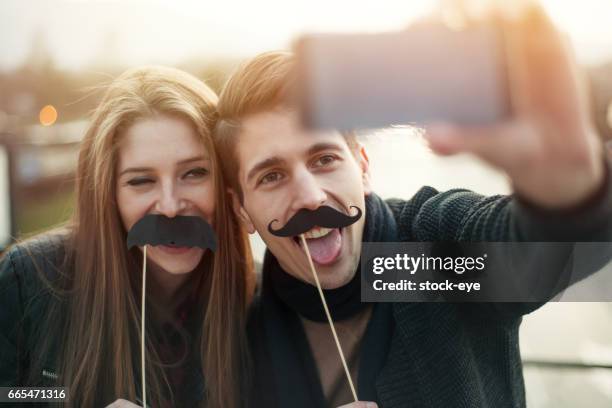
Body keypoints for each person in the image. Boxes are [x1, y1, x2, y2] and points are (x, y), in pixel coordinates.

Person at [213, 4, 612, 408]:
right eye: (271, 176)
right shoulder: (243, 324)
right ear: (241, 209)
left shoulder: (426, 264)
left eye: (324, 160)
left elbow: (527, 259)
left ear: (363, 167)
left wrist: (568, 195)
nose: (311, 196)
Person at [0, 66, 254, 407]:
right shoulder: (28, 278)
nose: (169, 207)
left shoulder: (259, 299)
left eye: (194, 173)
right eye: (141, 180)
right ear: (109, 195)